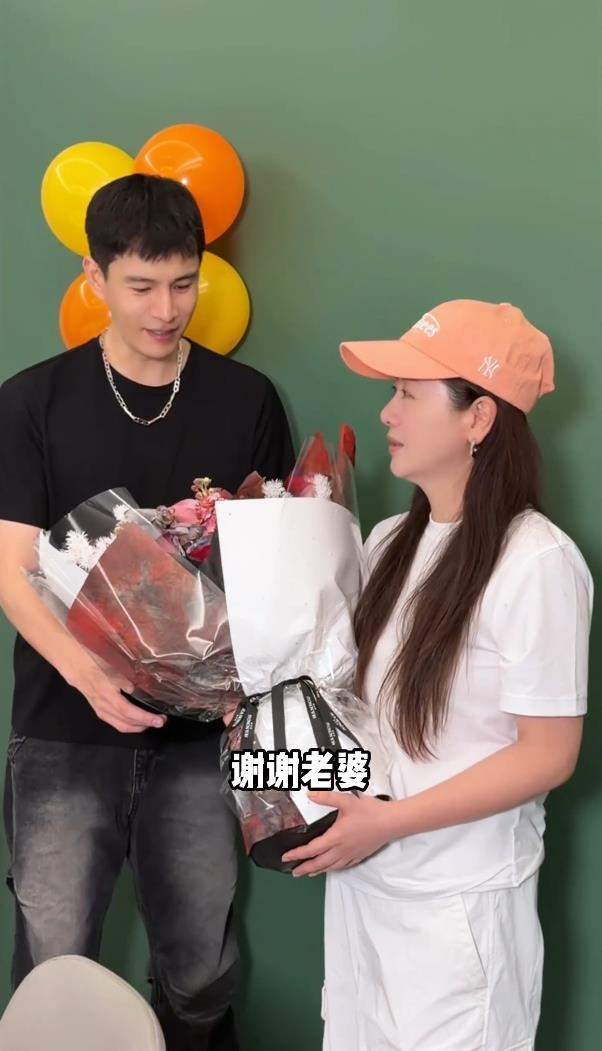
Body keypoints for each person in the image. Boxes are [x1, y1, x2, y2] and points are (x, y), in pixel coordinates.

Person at [0, 173, 294, 1051]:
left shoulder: (247, 399)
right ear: (94, 277)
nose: (166, 309)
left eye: (183, 282)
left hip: (201, 745)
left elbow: (279, 562)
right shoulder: (31, 401)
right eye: (140, 285)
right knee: (52, 966)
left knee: (202, 969)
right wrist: (88, 675)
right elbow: (13, 567)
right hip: (63, 730)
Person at [282, 300, 593, 1051]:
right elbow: (357, 709)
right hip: (365, 891)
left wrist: (389, 822)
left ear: (477, 418)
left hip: (460, 911)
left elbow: (549, 755)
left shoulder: (537, 561)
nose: (386, 413)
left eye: (407, 393)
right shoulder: (390, 540)